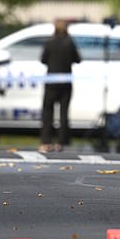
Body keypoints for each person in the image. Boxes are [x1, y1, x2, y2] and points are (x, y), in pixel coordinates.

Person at [39, 20, 81, 153]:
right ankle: (61, 142)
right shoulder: (70, 42)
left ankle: (46, 142)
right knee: (63, 113)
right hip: (66, 82)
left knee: (47, 112)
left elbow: (43, 59)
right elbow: (78, 59)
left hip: (51, 82)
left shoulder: (49, 42)